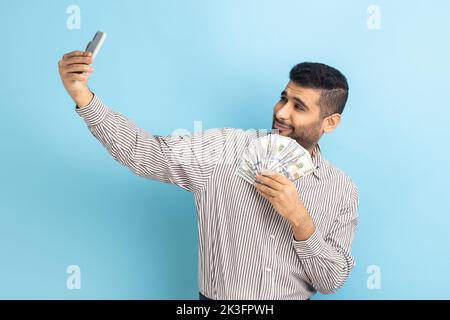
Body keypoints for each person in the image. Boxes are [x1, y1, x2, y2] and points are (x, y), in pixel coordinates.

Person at [58, 51, 359, 300]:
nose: (281, 112)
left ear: (329, 122)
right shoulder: (224, 149)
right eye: (283, 98)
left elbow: (331, 281)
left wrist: (300, 220)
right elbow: (145, 153)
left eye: (298, 107)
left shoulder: (342, 190)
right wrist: (83, 96)